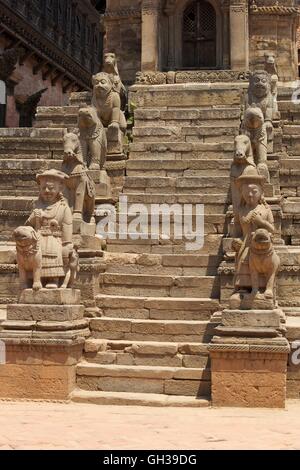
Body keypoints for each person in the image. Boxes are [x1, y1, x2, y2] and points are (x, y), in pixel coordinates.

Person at [25, 169, 73, 289]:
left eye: (51, 188)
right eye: (44, 188)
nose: (47, 191)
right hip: (38, 238)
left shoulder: (63, 207)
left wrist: (67, 245)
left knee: (54, 249)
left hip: (55, 239)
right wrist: (32, 218)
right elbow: (26, 228)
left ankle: (53, 278)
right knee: (34, 251)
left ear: (59, 189)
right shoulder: (36, 205)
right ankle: (36, 278)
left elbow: (67, 227)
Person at [233, 169, 275, 293]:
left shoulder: (266, 210)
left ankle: (264, 289)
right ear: (242, 193)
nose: (250, 195)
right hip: (245, 245)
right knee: (243, 262)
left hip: (262, 245)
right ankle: (243, 289)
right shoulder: (241, 211)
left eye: (254, 191)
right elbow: (238, 231)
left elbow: (273, 230)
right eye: (246, 192)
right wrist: (236, 241)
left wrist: (261, 222)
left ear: (261, 193)